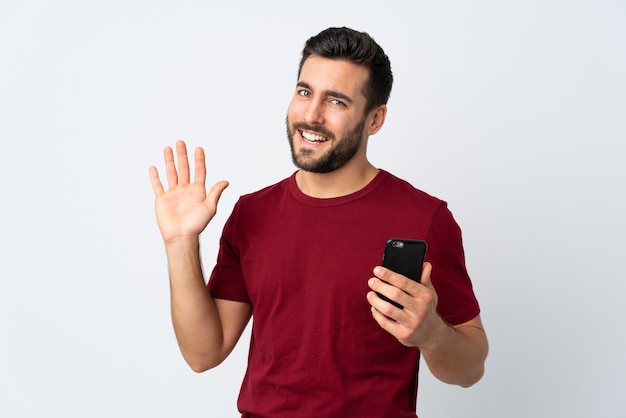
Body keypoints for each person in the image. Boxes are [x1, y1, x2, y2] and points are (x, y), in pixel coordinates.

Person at [149, 27, 488, 418]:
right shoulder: (251, 213)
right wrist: (180, 243)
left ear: (374, 119)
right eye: (305, 92)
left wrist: (430, 334)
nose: (311, 115)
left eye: (337, 101)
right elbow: (203, 353)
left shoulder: (424, 219)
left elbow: (470, 368)